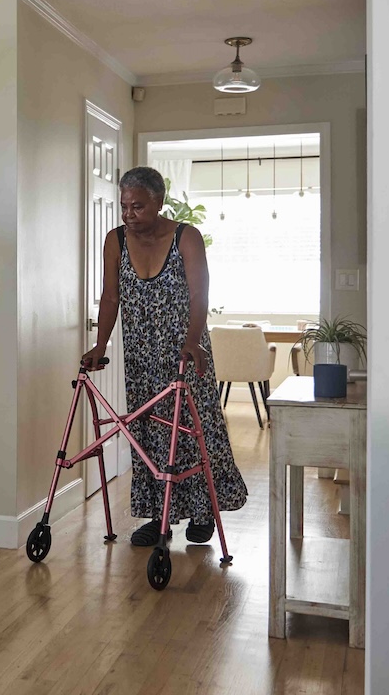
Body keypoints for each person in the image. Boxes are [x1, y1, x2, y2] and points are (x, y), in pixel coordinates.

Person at [81, 166, 247, 546]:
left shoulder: (186, 236)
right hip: (140, 355)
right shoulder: (116, 241)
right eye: (124, 207)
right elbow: (110, 297)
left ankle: (204, 510)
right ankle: (160, 516)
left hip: (185, 352)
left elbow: (199, 294)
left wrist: (193, 340)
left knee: (194, 430)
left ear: (159, 202)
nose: (129, 214)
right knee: (148, 434)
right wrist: (101, 345)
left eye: (137, 206)